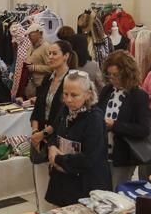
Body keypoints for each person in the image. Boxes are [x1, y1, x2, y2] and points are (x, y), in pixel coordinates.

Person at [44, 70, 111, 206]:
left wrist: (57, 159)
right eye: (65, 94)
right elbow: (54, 132)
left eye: (74, 95)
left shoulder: (94, 118)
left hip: (86, 186)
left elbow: (90, 158)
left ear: (88, 95)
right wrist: (51, 147)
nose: (68, 99)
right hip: (64, 182)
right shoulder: (65, 109)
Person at [100, 50, 151, 186]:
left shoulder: (139, 96)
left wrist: (114, 125)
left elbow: (143, 129)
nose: (112, 79)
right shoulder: (107, 91)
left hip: (123, 156)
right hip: (103, 153)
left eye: (116, 75)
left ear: (127, 73)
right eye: (109, 75)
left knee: (118, 194)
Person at [30, 40, 77, 159]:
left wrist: (43, 133)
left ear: (66, 56)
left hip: (60, 138)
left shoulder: (72, 80)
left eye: (54, 54)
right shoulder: (47, 79)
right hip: (41, 138)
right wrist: (35, 132)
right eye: (49, 53)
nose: (50, 57)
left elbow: (65, 114)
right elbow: (38, 108)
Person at [23, 23, 50, 97]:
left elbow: (51, 68)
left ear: (39, 33)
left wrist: (34, 67)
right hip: (31, 83)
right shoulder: (31, 46)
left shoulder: (46, 47)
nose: (29, 37)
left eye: (31, 34)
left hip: (41, 85)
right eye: (28, 35)